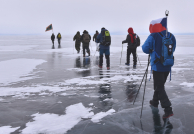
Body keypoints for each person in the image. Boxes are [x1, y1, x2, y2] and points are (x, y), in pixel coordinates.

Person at [142, 17, 176, 118]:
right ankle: (154, 101)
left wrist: (153, 49)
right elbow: (173, 49)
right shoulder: (172, 36)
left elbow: (145, 49)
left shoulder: (154, 35)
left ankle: (168, 109)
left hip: (157, 65)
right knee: (159, 85)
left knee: (159, 86)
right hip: (168, 65)